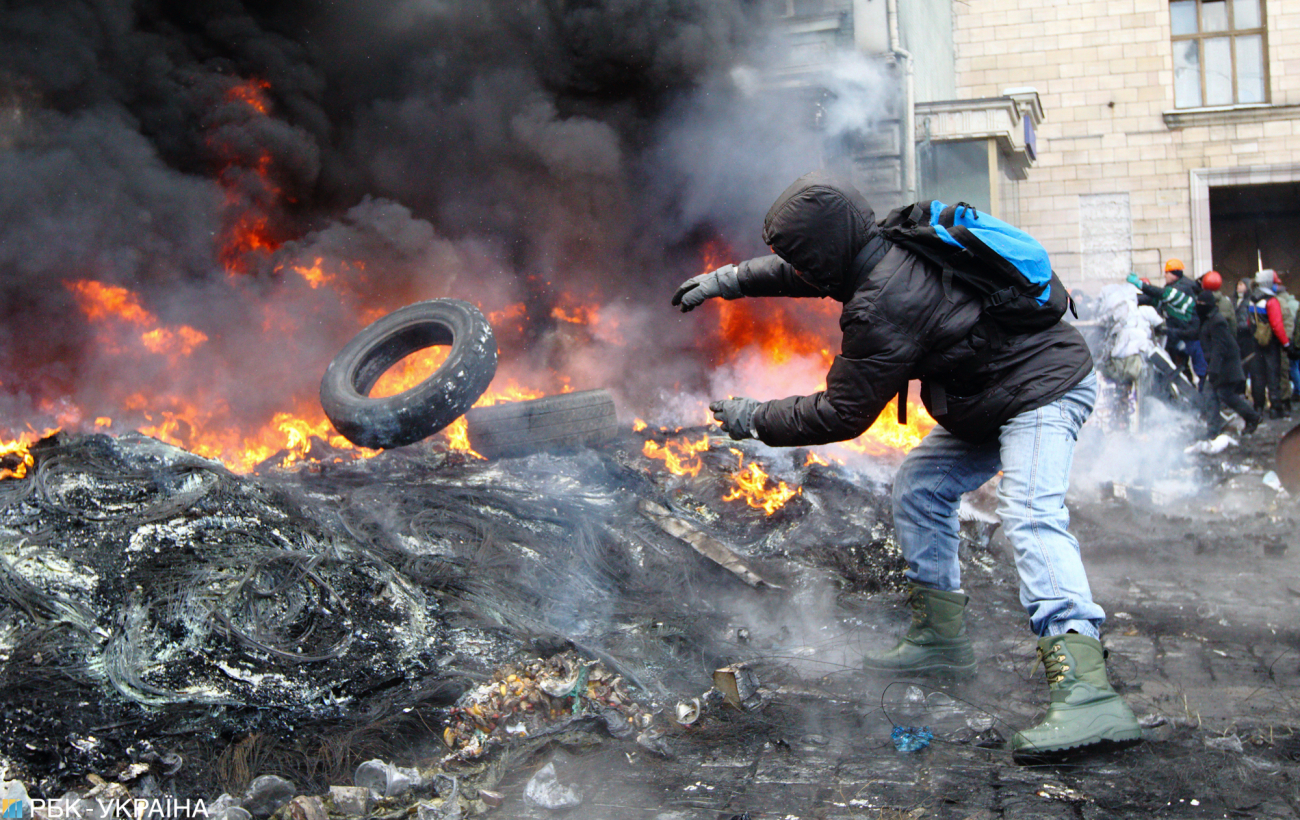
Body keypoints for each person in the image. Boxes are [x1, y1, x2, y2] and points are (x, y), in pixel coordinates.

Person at [671, 170, 1140, 759]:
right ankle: (941, 640)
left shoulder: (881, 301)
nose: (805, 271)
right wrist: (727, 280)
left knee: (1030, 513)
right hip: (992, 396)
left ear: (829, 247)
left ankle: (1089, 693)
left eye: (804, 256)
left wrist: (752, 418)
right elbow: (804, 275)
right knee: (921, 486)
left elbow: (843, 414)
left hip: (1043, 388)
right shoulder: (882, 242)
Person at [1127, 259, 1205, 385]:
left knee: (1200, 370)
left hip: (1190, 334)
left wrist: (1139, 284)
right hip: (1182, 333)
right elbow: (1154, 299)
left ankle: (1202, 399)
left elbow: (1161, 294)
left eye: (1167, 272)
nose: (1165, 275)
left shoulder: (1183, 288)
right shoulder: (1176, 287)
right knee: (1181, 366)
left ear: (1174, 274)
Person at [1196, 290, 1261, 438]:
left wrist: (1213, 370)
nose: (1198, 306)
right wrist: (1170, 331)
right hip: (1220, 365)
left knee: (1223, 394)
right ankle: (1214, 431)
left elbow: (1220, 347)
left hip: (1225, 365)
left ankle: (1251, 417)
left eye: (1201, 303)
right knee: (1215, 394)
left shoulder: (1217, 321)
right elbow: (1194, 333)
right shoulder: (1207, 320)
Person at [1244, 269, 1295, 418]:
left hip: (1255, 342)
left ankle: (1258, 407)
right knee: (1273, 375)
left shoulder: (1252, 299)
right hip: (1270, 344)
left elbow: (1249, 322)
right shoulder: (1271, 301)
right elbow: (1277, 325)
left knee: (1258, 376)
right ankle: (1275, 408)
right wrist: (1286, 344)